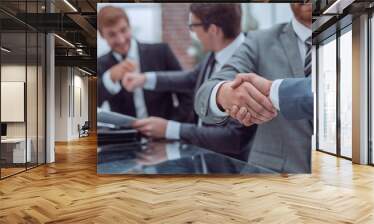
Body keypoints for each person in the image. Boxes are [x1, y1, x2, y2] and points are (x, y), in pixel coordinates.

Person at [122, 3, 256, 161]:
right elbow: (192, 78)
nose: (193, 33)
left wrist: (169, 129)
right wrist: (144, 79)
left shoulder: (249, 65)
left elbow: (234, 138)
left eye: (193, 26)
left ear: (213, 30)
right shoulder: (216, 53)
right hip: (204, 162)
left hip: (233, 169)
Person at [195, 3, 313, 173]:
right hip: (271, 179)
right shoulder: (260, 41)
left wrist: (274, 91)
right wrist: (226, 94)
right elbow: (205, 94)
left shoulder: (359, 33)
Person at [97, 6, 192, 122]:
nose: (121, 40)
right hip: (126, 137)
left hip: (166, 135)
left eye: (123, 30)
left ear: (130, 27)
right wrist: (110, 77)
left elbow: (186, 92)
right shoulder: (100, 64)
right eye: (112, 34)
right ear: (102, 36)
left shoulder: (161, 52)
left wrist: (171, 126)